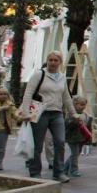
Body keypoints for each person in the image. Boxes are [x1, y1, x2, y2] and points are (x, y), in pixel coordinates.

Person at [20, 51, 78, 182]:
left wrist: (73, 112)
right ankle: (35, 172)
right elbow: (28, 94)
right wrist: (25, 113)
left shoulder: (62, 77)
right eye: (50, 60)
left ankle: (59, 172)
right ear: (47, 61)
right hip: (40, 112)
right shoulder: (39, 75)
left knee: (60, 141)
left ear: (60, 62)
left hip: (57, 113)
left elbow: (66, 97)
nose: (52, 62)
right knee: (38, 144)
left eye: (55, 60)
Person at [64, 96, 93, 178]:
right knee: (75, 154)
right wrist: (75, 121)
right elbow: (67, 125)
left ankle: (64, 168)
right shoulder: (70, 114)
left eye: (84, 105)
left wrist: (89, 139)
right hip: (72, 138)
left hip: (81, 138)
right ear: (75, 104)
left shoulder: (86, 116)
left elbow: (88, 128)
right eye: (81, 104)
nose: (83, 107)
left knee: (76, 154)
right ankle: (74, 170)